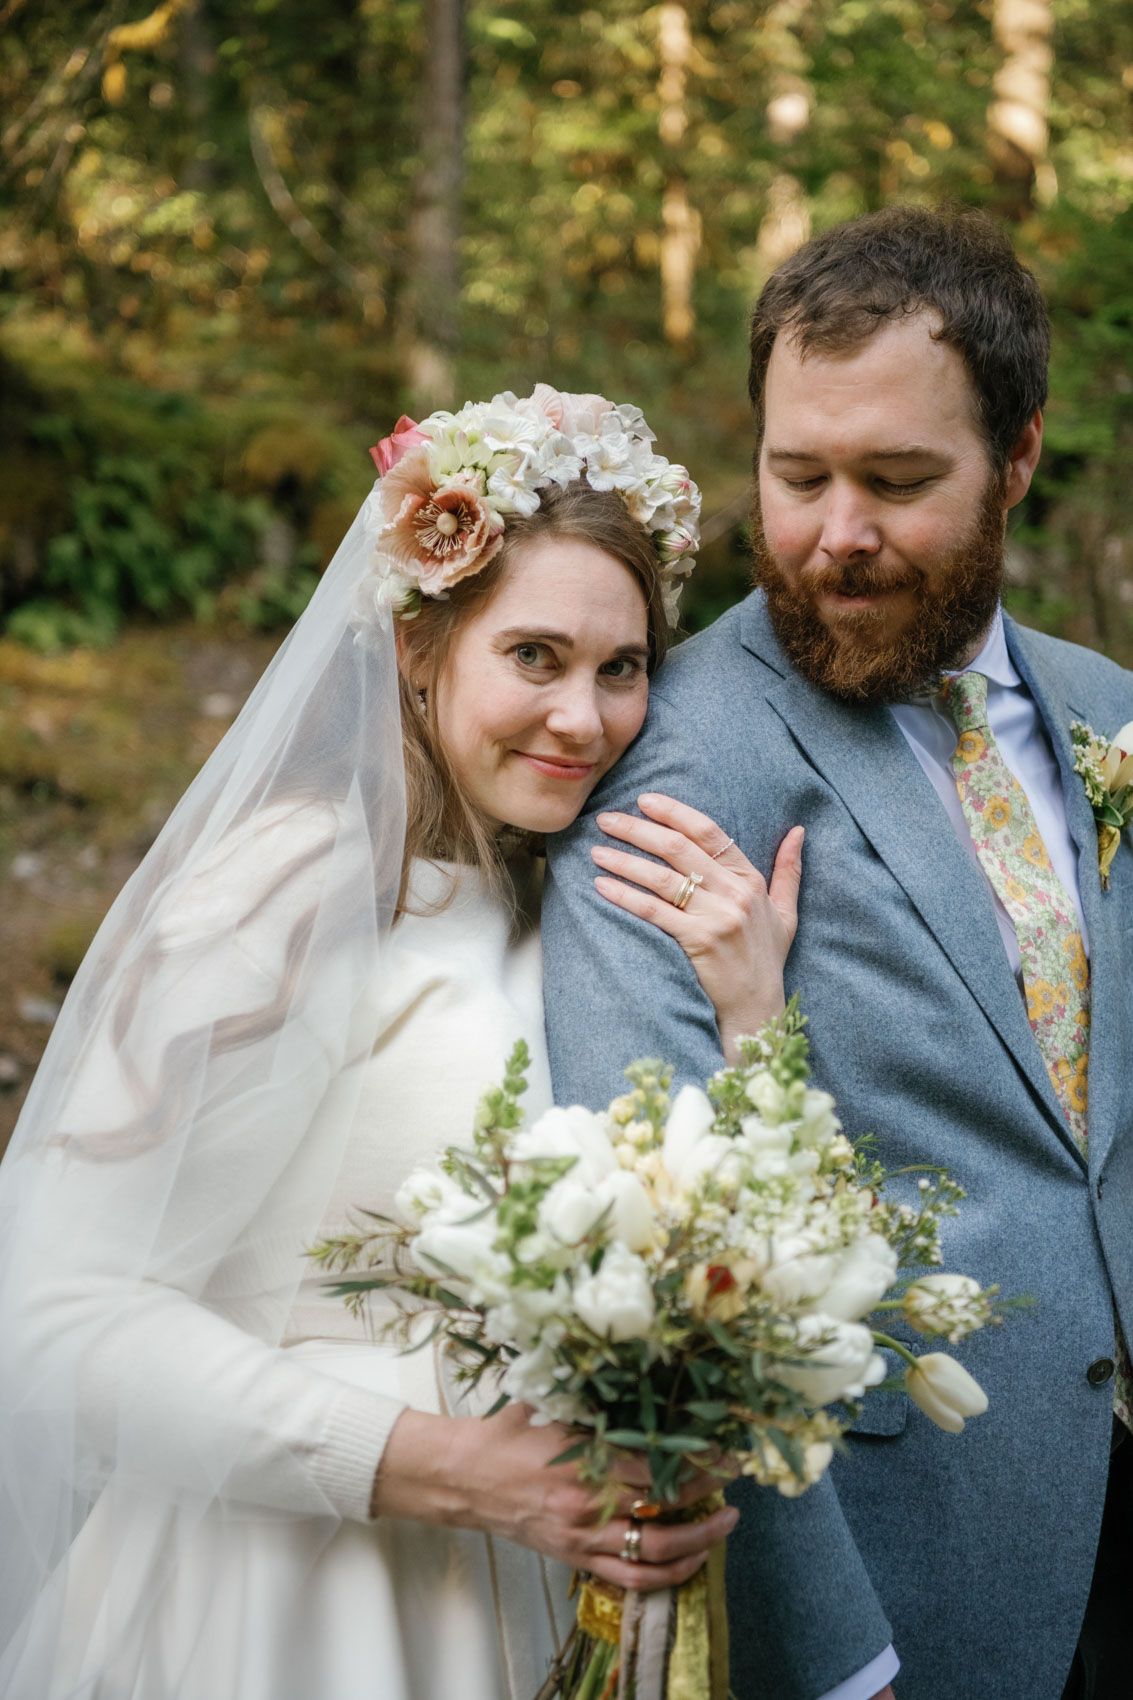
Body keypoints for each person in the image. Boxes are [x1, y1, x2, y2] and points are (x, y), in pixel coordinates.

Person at [0, 385, 803, 1700]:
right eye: (533, 657)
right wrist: (446, 1467)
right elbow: (52, 1315)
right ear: (423, 648)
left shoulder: (566, 909)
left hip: (522, 1606)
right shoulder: (293, 888)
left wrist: (750, 1016)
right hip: (282, 1608)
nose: (583, 720)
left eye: (621, 668)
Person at [543, 207, 1133, 1700]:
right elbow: (673, 1273)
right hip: (911, 1574)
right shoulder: (670, 759)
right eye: (796, 475)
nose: (834, 533)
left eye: (897, 480)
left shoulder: (1103, 707)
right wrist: (828, 1662)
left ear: (1016, 460)